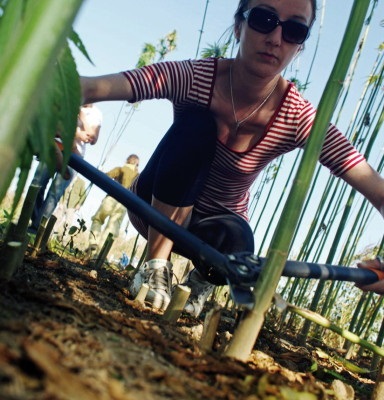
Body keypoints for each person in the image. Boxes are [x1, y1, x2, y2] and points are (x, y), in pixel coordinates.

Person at [80, 0, 384, 314]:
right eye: (264, 19)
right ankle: (156, 266)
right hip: (154, 211)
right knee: (196, 127)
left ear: (299, 48)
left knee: (240, 239)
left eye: (294, 30)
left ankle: (197, 287)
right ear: (238, 26)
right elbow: (95, 87)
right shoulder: (196, 77)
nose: (275, 38)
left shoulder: (298, 117)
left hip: (214, 239)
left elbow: (377, 190)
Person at [29, 104, 102, 234]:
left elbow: (92, 138)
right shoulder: (70, 99)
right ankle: (33, 221)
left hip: (75, 156)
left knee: (55, 193)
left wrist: (81, 117)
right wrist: (78, 132)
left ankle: (36, 229)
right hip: (55, 145)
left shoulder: (96, 114)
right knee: (37, 183)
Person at [87, 154, 140, 254]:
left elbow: (105, 176)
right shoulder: (137, 176)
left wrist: (100, 171)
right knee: (112, 228)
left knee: (98, 219)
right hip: (124, 204)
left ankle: (93, 243)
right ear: (137, 164)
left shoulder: (120, 169)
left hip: (111, 199)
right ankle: (101, 253)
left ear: (127, 160)